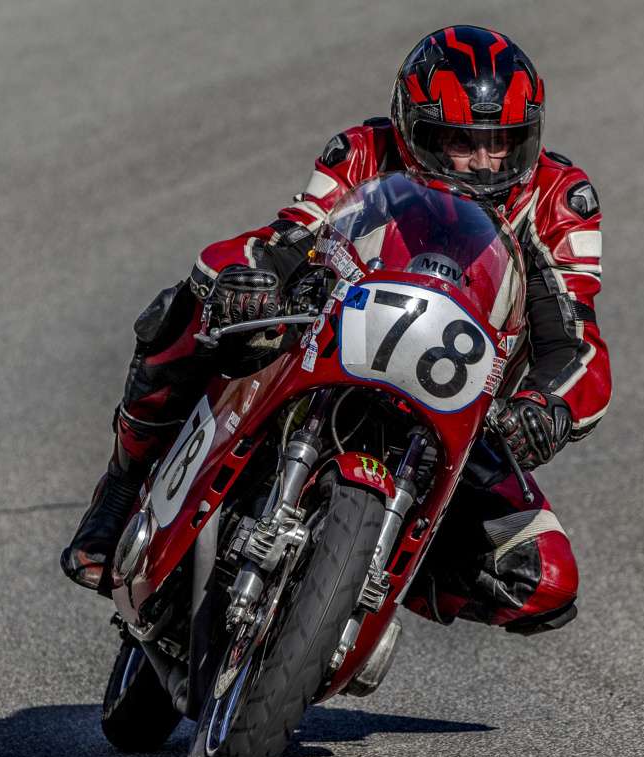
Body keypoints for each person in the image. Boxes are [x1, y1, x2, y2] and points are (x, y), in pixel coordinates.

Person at [62, 25, 610, 635]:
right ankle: (122, 486)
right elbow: (292, 234)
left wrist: (546, 407)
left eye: (501, 143)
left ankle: (369, 572)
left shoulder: (560, 201)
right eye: (462, 141)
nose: (485, 163)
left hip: (459, 413)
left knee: (544, 579)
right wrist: (248, 275)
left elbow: (576, 341)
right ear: (417, 130)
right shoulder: (365, 151)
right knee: (184, 307)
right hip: (330, 351)